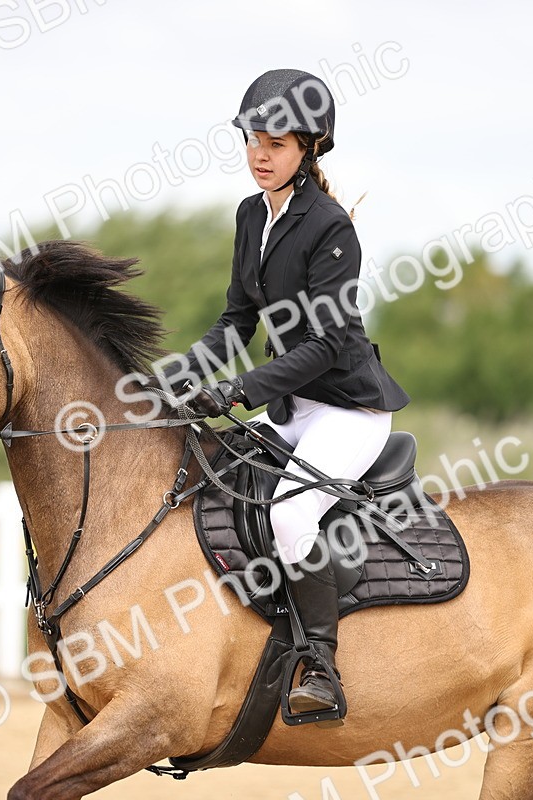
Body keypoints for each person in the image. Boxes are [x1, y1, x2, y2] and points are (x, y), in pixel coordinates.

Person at [156, 69, 411, 717]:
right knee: (205, 475)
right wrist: (182, 373)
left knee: (292, 514)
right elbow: (239, 318)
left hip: (349, 412)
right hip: (293, 410)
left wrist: (236, 389)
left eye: (276, 143)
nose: (260, 155)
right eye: (252, 140)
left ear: (309, 149)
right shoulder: (252, 215)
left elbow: (323, 346)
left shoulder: (329, 228)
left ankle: (321, 664)